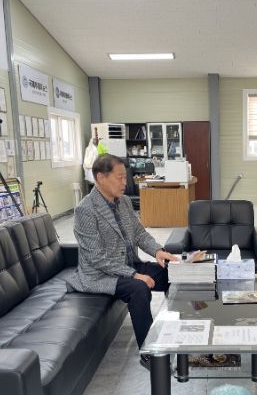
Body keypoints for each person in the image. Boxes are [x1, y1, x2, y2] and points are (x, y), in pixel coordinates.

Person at [67, 154, 177, 367]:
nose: (125, 182)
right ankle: (149, 352)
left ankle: (177, 333)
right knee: (138, 288)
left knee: (171, 273)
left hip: (128, 264)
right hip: (101, 275)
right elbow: (97, 258)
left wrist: (157, 251)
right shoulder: (85, 210)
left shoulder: (124, 202)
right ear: (101, 177)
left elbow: (140, 234)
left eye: (125, 177)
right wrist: (134, 275)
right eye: (119, 177)